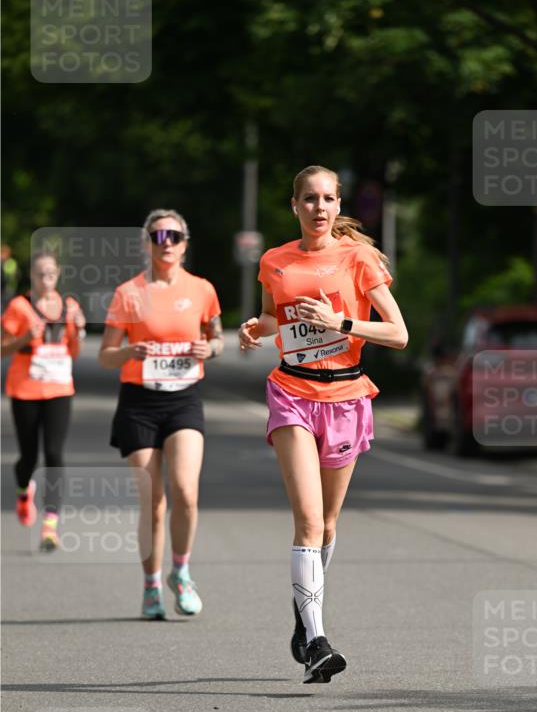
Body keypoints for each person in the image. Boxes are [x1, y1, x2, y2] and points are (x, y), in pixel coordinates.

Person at [239, 164, 408, 683]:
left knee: (329, 525)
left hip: (347, 396)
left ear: (338, 206)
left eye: (328, 199)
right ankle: (316, 640)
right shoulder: (275, 261)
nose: (319, 208)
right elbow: (276, 317)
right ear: (295, 206)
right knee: (309, 522)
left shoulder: (359, 259)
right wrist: (255, 327)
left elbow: (399, 333)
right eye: (309, 199)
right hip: (291, 392)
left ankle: (301, 614)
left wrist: (343, 323)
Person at [98, 209, 223, 620]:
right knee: (153, 501)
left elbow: (217, 336)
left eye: (173, 235)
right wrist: (127, 352)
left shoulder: (202, 289)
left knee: (186, 490)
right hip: (139, 402)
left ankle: (181, 572)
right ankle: (151, 584)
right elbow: (104, 355)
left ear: (185, 243)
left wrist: (211, 348)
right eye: (157, 236)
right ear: (147, 243)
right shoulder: (128, 293)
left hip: (184, 398)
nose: (165, 242)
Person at [1, 251, 85, 550]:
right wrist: (24, 338)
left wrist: (81, 330)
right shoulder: (19, 307)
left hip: (60, 389)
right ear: (31, 276)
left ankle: (50, 526)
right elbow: (2, 348)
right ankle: (24, 491)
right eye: (40, 274)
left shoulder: (69, 306)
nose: (46, 279)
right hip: (25, 389)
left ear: (58, 274)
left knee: (54, 454)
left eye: (50, 273)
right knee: (28, 456)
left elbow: (73, 351)